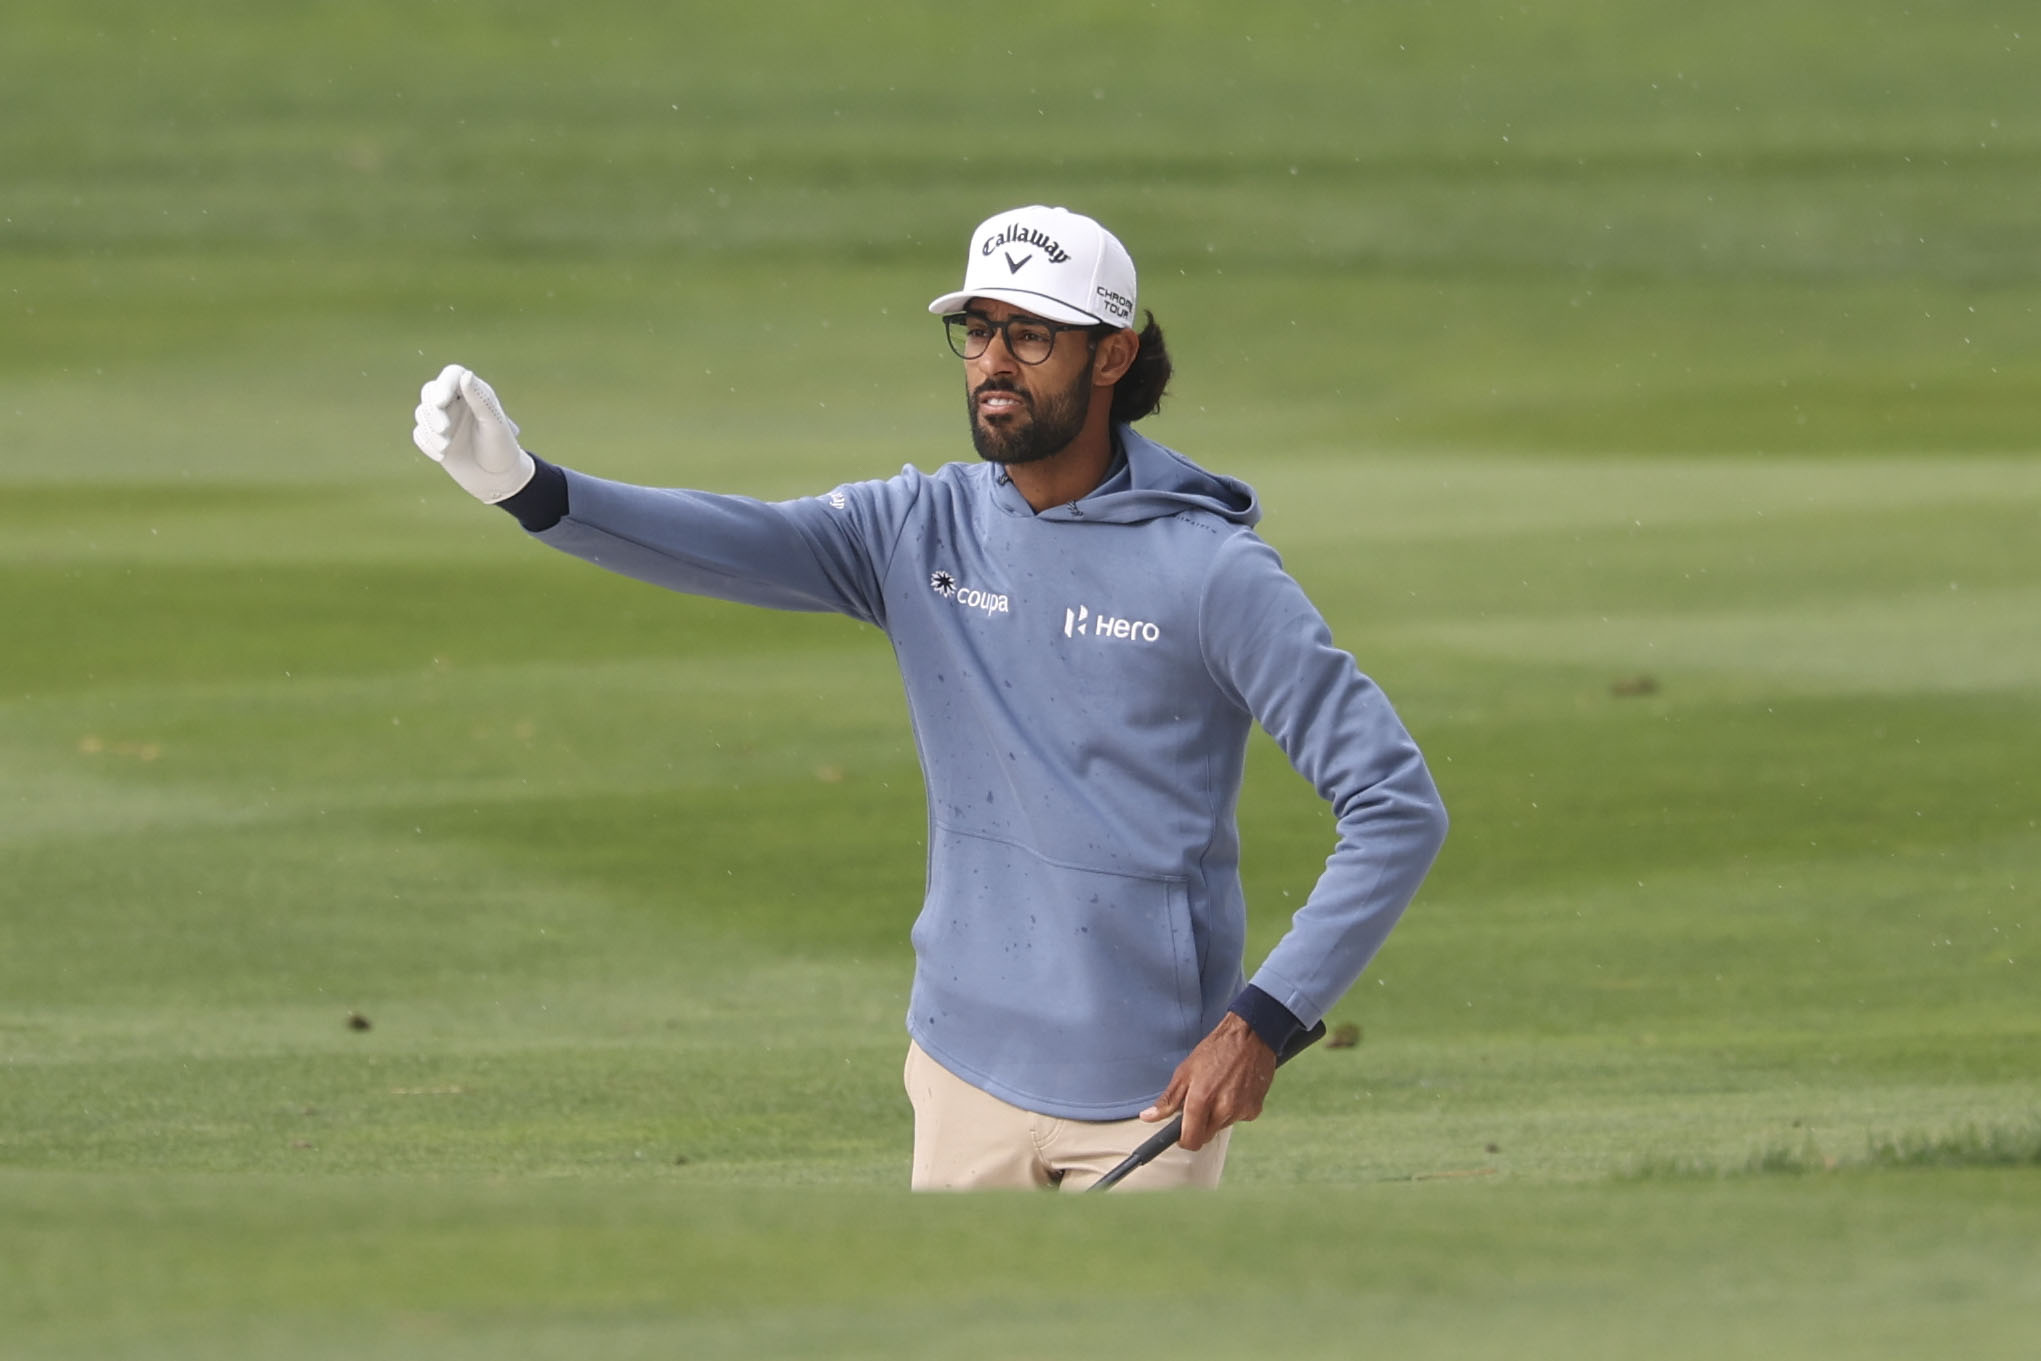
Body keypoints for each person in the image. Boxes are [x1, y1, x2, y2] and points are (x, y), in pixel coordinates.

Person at [411, 204, 1448, 1191]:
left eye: (1032, 334)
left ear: (1113, 354)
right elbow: (732, 539)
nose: (993, 361)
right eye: (977, 329)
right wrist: (534, 490)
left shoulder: (1213, 573)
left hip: (1148, 1100)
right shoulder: (921, 528)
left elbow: (1394, 805)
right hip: (959, 1071)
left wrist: (1263, 1022)